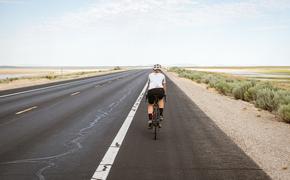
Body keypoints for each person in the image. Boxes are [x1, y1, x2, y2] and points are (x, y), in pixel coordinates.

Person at [146, 64, 166, 129]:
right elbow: (164, 85)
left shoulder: (150, 75)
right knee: (161, 100)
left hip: (151, 91)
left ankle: (150, 120)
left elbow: (148, 84)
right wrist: (164, 93)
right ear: (160, 69)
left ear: (153, 69)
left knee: (150, 105)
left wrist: (147, 92)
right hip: (160, 90)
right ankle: (160, 115)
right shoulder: (163, 75)